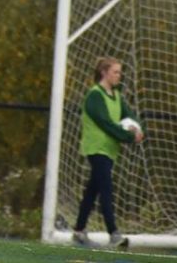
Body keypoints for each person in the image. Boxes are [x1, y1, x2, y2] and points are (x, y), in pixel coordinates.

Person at [72, 56, 145, 248]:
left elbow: (129, 115)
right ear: (104, 72)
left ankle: (79, 231)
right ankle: (114, 233)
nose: (119, 76)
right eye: (115, 72)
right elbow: (106, 124)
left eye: (120, 72)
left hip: (109, 150)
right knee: (106, 189)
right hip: (97, 149)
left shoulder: (117, 96)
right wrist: (129, 137)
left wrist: (137, 128)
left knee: (92, 190)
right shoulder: (95, 96)